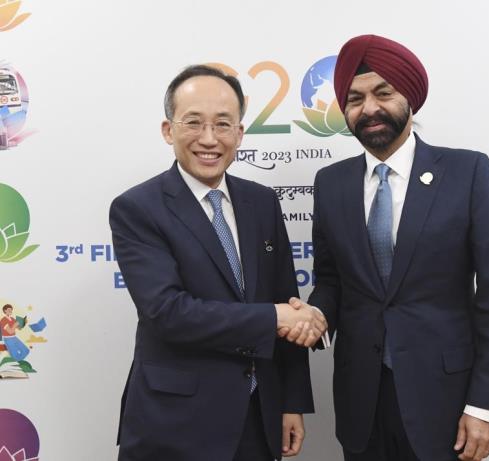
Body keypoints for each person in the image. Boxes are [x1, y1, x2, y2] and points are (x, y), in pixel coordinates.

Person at [291, 34, 489, 461]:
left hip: (446, 401)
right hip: (362, 400)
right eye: (354, 99)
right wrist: (317, 315)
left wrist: (485, 405)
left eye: (383, 93)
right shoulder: (331, 182)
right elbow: (332, 280)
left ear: (409, 98)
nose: (369, 109)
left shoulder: (466, 171)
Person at [109, 65, 327, 461]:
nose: (209, 139)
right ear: (167, 130)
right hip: (174, 424)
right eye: (193, 122)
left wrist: (290, 401)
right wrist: (273, 318)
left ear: (240, 134)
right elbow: (168, 313)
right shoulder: (137, 208)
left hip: (258, 418)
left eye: (223, 124)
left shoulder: (262, 202)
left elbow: (287, 298)